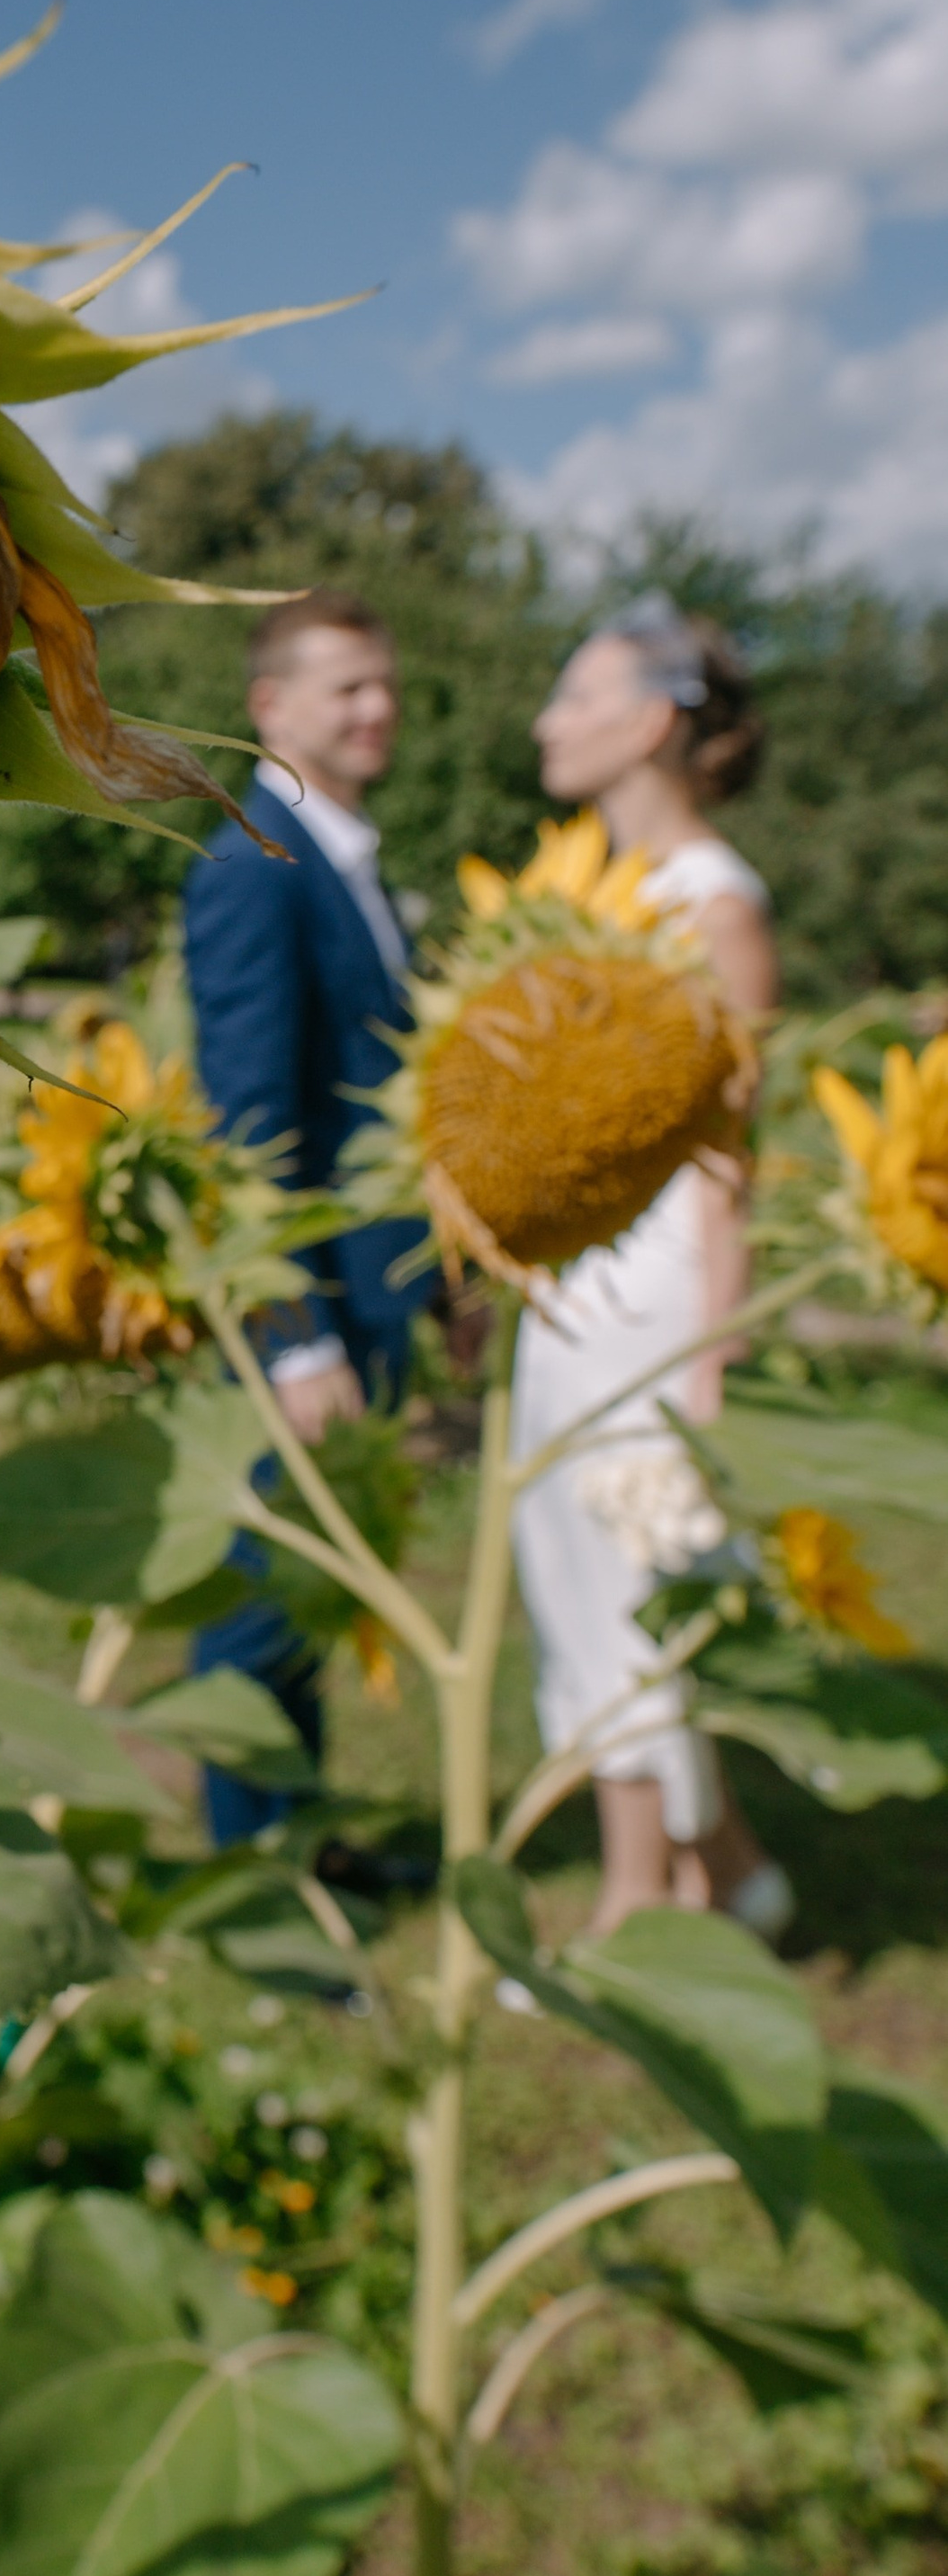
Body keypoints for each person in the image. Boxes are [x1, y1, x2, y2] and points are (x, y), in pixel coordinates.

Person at [508, 594, 791, 1938]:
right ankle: (725, 1867)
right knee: (561, 1559)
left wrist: (716, 1354)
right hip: (569, 1277)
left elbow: (731, 1160)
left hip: (655, 1294)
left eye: (574, 693)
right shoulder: (578, 891)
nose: (545, 720)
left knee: (627, 1573)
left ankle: (635, 1909)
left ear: (653, 721)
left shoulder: (713, 904)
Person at [184, 587, 430, 1848]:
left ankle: (307, 1847)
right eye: (347, 686)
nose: (377, 707)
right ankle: (259, 1883)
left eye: (384, 683)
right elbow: (249, 1122)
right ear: (270, 706)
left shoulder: (337, 856)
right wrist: (296, 1336)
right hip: (311, 1311)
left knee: (313, 1594)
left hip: (367, 1292)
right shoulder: (254, 863)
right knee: (261, 1604)